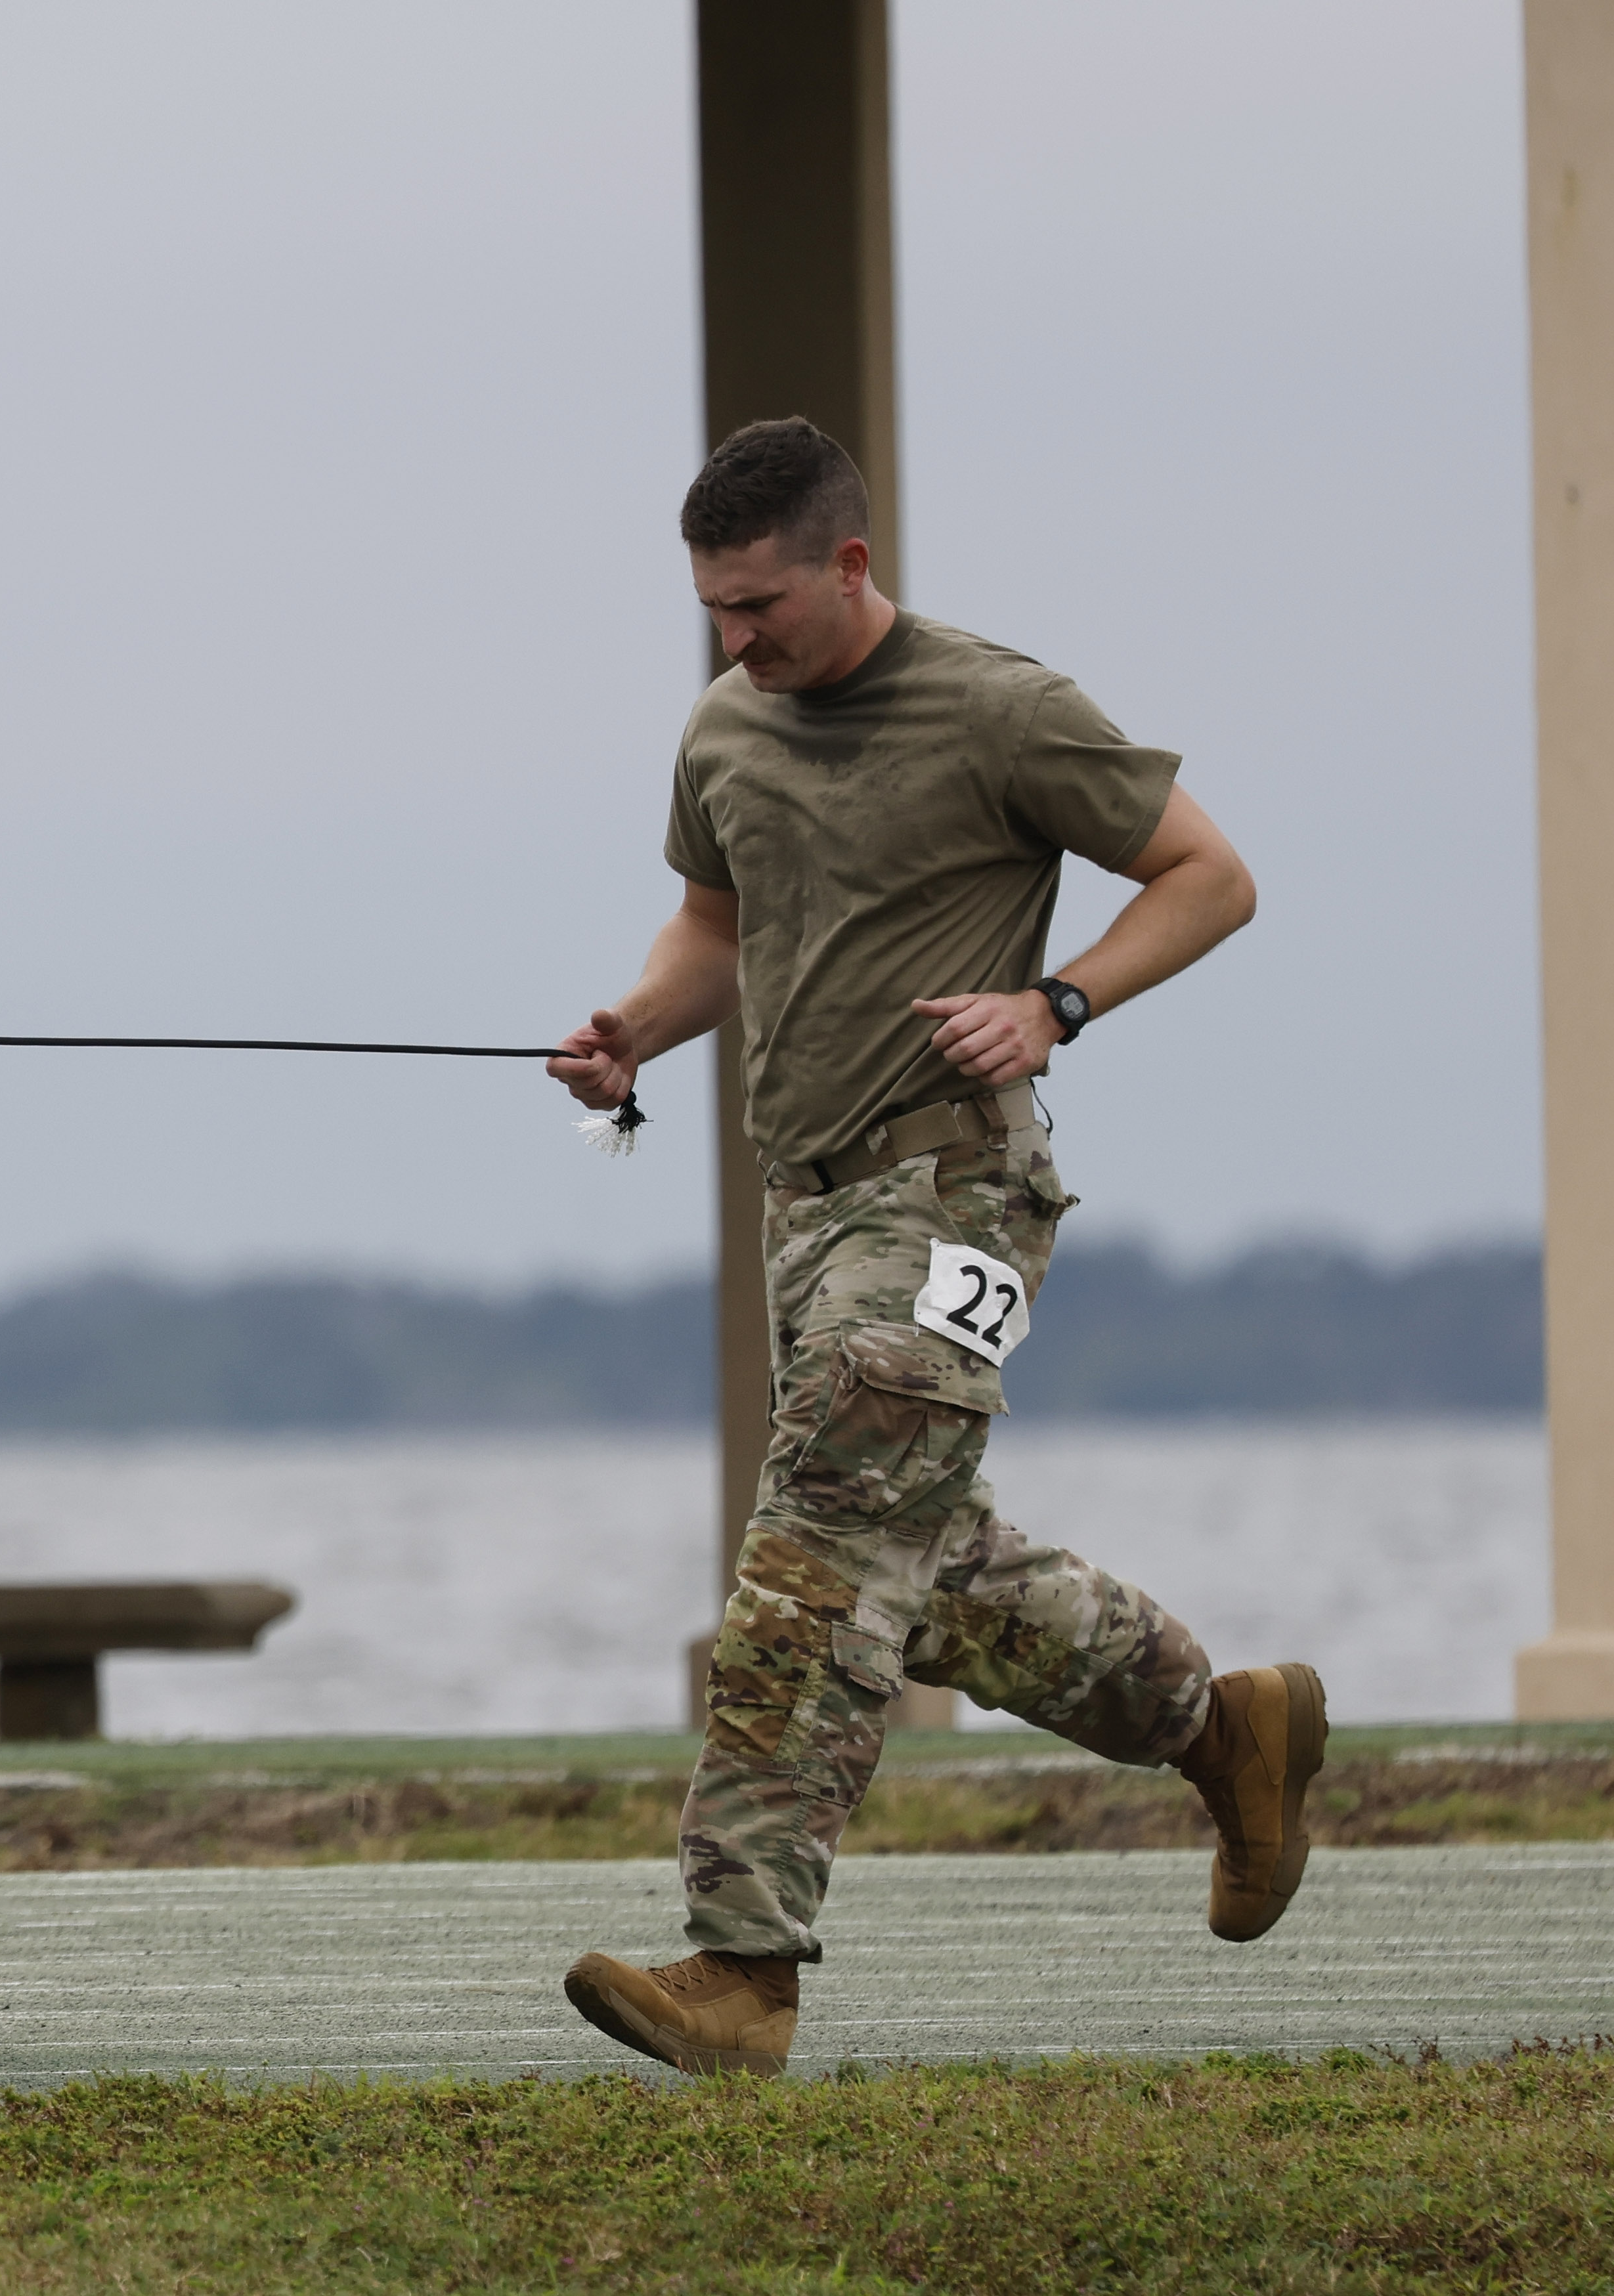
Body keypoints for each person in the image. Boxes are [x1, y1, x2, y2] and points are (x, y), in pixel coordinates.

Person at [544, 417, 1326, 2078]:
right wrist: (634, 1034)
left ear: (848, 563)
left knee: (815, 1553)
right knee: (927, 1570)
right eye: (711, 610)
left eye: (761, 604)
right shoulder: (724, 730)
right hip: (805, 1212)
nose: (737, 639)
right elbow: (717, 929)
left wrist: (1057, 1004)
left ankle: (739, 1968)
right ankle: (1225, 1725)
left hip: (954, 1193)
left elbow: (1213, 875)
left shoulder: (1001, 707)